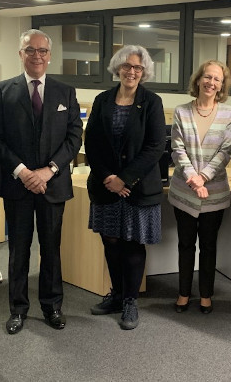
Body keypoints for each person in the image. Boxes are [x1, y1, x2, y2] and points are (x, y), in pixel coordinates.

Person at [0, 29, 82, 334]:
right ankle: (17, 308)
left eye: (43, 51)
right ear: (21, 54)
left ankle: (52, 305)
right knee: (18, 249)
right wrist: (23, 171)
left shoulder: (65, 92)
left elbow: (73, 136)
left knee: (51, 249)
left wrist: (49, 170)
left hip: (53, 185)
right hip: (18, 185)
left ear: (50, 55)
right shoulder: (2, 91)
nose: (37, 56)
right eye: (31, 50)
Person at [85, 45, 165, 330]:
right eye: (127, 66)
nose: (132, 72)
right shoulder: (103, 99)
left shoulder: (152, 102)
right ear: (117, 67)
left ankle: (131, 300)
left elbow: (156, 147)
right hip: (105, 187)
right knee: (110, 241)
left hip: (137, 188)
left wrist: (125, 179)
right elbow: (91, 142)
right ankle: (117, 294)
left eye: (138, 68)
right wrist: (108, 177)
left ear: (144, 73)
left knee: (132, 242)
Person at [168, 60, 231, 314]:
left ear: (222, 85)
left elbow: (225, 152)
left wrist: (204, 177)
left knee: (208, 245)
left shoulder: (229, 114)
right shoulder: (182, 111)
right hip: (184, 191)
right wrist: (193, 179)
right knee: (185, 244)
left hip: (214, 193)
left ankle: (206, 294)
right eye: (207, 77)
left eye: (217, 79)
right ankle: (184, 292)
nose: (211, 83)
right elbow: (177, 149)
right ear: (198, 80)